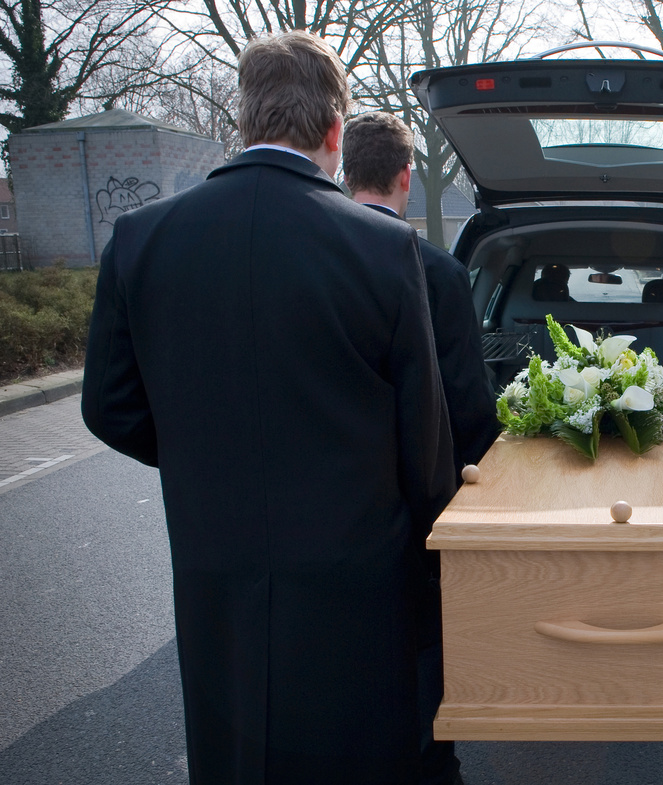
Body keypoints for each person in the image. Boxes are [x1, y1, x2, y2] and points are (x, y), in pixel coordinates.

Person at [82, 31, 457, 784]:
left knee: (234, 752)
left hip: (214, 563)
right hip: (356, 571)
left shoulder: (140, 239)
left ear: (244, 121)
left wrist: (204, 449)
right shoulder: (384, 252)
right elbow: (423, 437)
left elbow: (109, 406)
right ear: (334, 133)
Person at [343, 110, 499, 785]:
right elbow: (466, 398)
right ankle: (431, 756)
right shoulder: (431, 268)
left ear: (347, 170)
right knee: (418, 650)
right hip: (414, 503)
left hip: (337, 505)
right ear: (408, 176)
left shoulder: (321, 253)